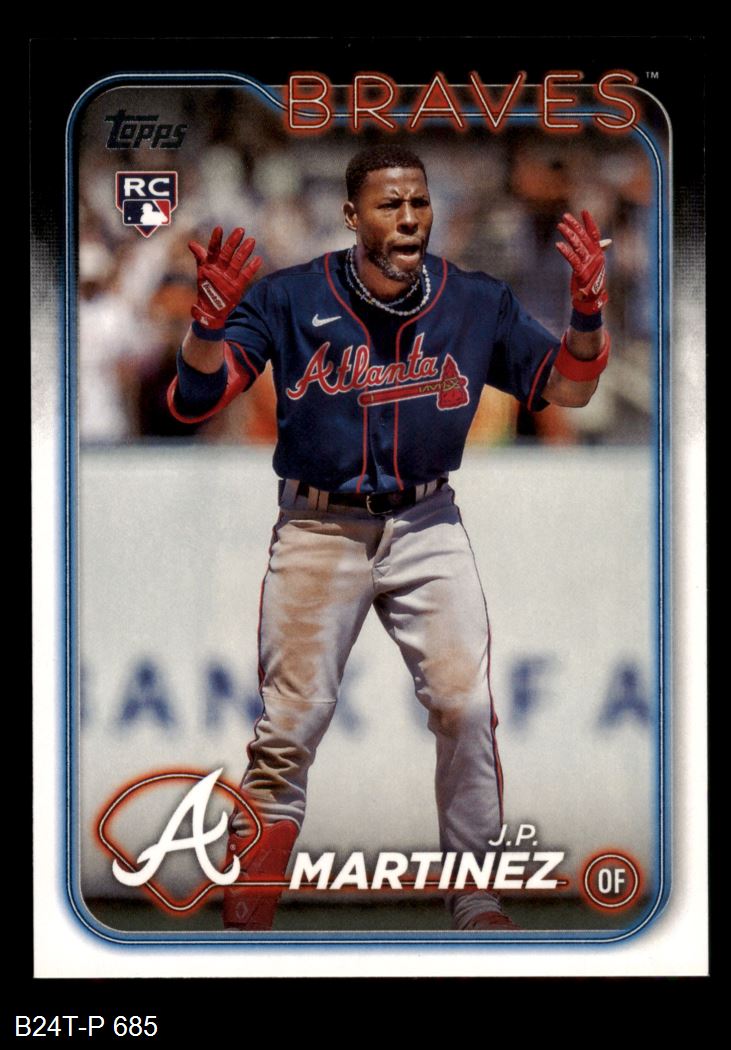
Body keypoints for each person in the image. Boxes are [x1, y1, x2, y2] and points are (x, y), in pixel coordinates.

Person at [168, 144, 610, 932]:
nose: (408, 218)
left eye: (418, 203)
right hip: (318, 524)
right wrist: (205, 329)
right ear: (351, 215)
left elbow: (570, 388)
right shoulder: (289, 296)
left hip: (426, 519)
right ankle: (250, 895)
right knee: (291, 725)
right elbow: (194, 398)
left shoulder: (472, 300)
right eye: (388, 204)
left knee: (465, 706)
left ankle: (475, 896)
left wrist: (585, 317)